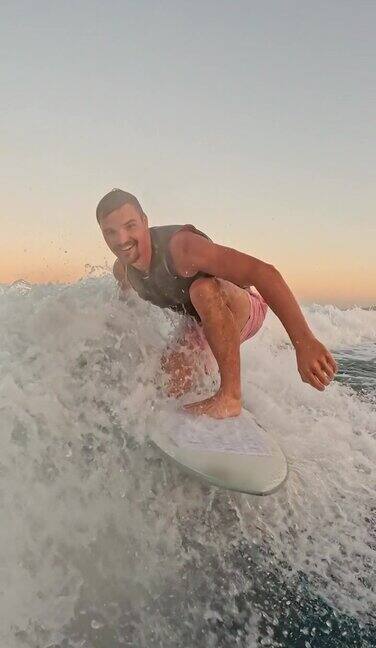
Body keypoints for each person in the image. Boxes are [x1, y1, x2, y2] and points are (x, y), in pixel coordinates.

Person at [96, 189, 338, 419]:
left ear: (145, 221)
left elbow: (264, 273)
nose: (123, 239)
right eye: (111, 232)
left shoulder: (183, 248)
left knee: (202, 289)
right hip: (202, 324)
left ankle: (230, 396)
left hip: (243, 308)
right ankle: (211, 380)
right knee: (164, 391)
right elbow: (126, 309)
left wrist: (304, 341)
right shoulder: (124, 273)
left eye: (130, 226)